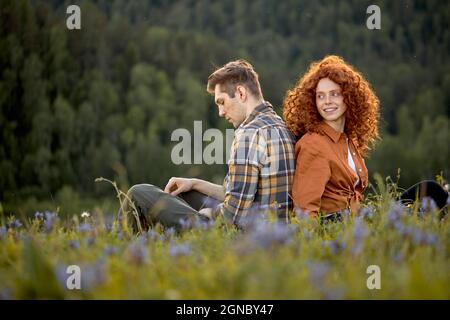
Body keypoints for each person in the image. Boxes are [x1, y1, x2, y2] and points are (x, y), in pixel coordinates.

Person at [120, 59, 296, 233]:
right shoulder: (281, 126)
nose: (221, 112)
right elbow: (240, 192)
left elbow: (232, 216)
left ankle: (121, 247)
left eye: (222, 102)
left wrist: (209, 213)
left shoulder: (249, 134)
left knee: (138, 193)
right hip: (274, 232)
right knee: (184, 194)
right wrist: (194, 183)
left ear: (241, 93)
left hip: (241, 239)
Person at [283, 55, 448, 221]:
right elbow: (304, 210)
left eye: (334, 94)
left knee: (431, 189)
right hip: (341, 226)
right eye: (320, 96)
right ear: (312, 101)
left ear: (349, 97)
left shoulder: (347, 139)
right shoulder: (314, 144)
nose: (327, 102)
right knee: (419, 214)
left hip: (361, 217)